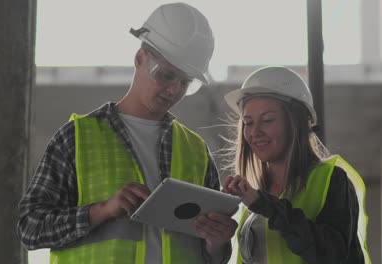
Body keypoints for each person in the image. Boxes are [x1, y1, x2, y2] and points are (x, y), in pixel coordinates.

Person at [17, 3, 236, 264]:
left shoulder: (196, 150)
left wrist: (218, 243)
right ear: (140, 59)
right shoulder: (76, 138)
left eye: (185, 83)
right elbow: (30, 228)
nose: (174, 91)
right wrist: (102, 211)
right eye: (166, 76)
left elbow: (211, 256)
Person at [221, 66, 371, 264]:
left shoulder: (331, 181)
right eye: (248, 122)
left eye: (267, 120)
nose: (254, 131)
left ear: (296, 122)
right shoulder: (254, 196)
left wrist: (268, 206)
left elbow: (332, 256)